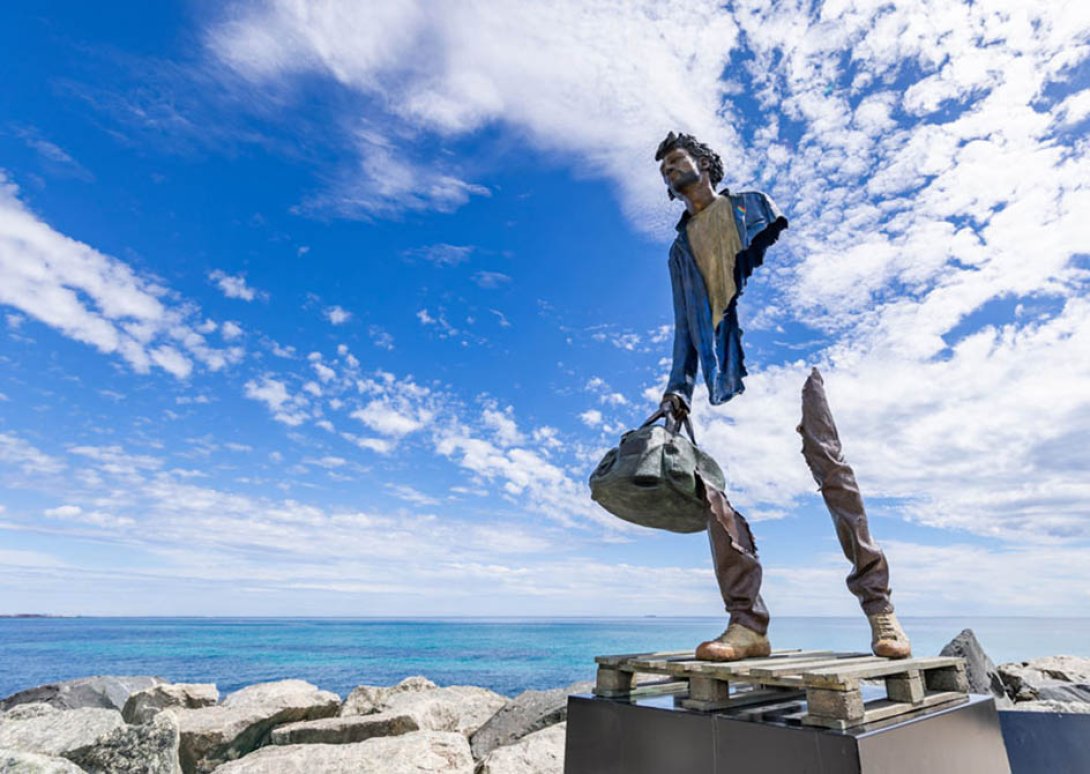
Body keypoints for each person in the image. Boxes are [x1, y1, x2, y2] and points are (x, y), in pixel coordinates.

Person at [654, 132, 911, 661]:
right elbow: (684, 325)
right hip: (725, 373)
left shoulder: (754, 207)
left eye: (677, 161)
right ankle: (747, 622)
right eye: (664, 170)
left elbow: (798, 271)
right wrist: (678, 388)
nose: (671, 172)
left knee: (833, 473)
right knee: (716, 493)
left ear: (704, 163)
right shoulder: (679, 251)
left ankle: (880, 609)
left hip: (792, 352)